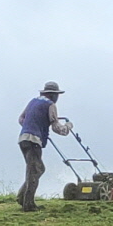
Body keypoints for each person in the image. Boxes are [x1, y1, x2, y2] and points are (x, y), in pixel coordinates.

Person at [16, 82, 67, 211]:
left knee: (38, 168)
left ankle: (22, 196)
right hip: (34, 140)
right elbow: (57, 128)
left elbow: (21, 118)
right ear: (53, 95)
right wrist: (68, 127)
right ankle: (28, 204)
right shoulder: (51, 105)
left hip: (23, 138)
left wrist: (33, 125)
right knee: (35, 170)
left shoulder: (33, 102)